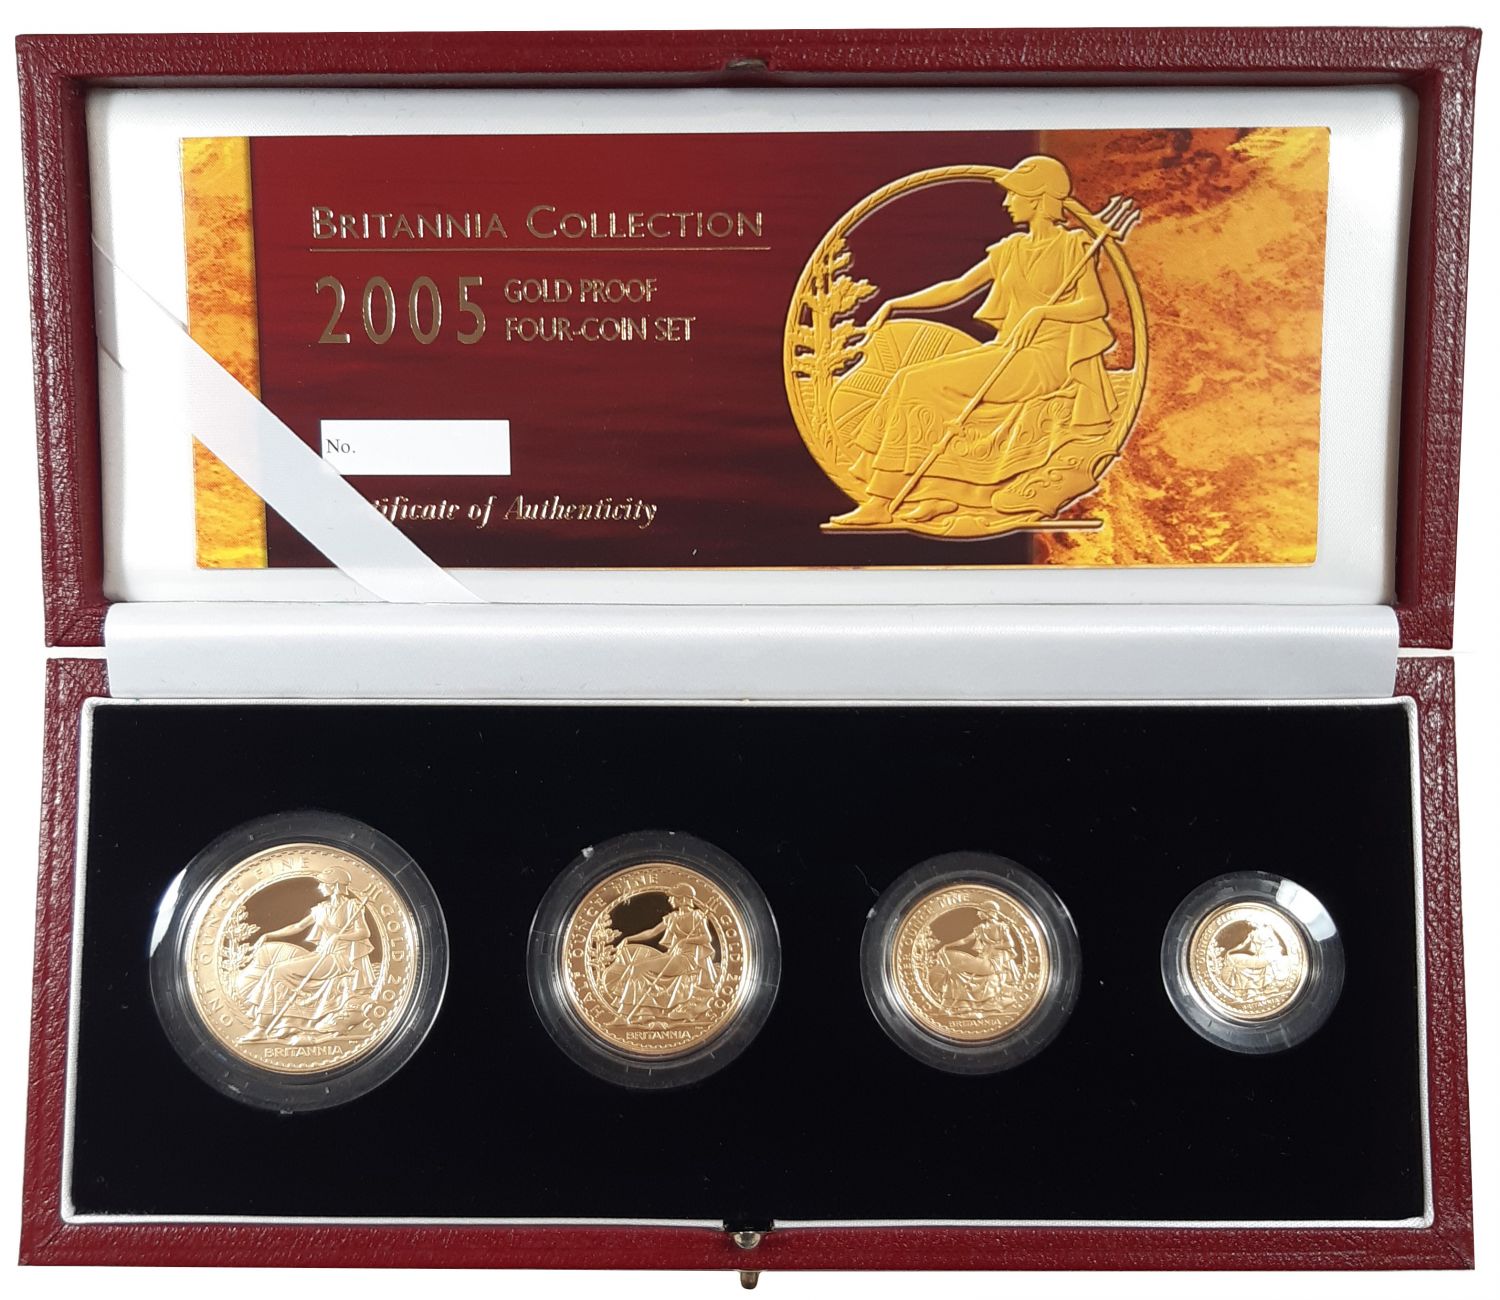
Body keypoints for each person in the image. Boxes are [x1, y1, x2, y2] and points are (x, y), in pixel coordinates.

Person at [831, 154, 1118, 529]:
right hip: (1007, 350)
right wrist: (897, 304)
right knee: (910, 381)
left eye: (1014, 194)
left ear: (1037, 199)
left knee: (916, 383)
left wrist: (1044, 313)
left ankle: (881, 502)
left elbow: (1094, 305)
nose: (1007, 202)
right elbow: (958, 287)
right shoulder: (1011, 250)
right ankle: (936, 493)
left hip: (1046, 360)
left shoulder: (1073, 248)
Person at [235, 867, 376, 1042]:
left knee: (278, 971)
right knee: (275, 969)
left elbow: (364, 932)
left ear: (334, 885)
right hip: (321, 954)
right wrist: (268, 935)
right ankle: (278, 1023)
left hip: (339, 958)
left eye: (323, 883)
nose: (320, 887)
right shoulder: (321, 908)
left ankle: (261, 1028)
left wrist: (340, 936)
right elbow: (298, 927)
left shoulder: (352, 906)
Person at [608, 883, 720, 1024]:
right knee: (638, 968)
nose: (669, 900)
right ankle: (644, 1013)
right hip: (673, 956)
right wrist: (628, 938)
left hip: (687, 960)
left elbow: (706, 938)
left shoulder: (697, 916)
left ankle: (625, 1015)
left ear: (683, 899)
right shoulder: (672, 917)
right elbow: (652, 932)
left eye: (673, 897)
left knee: (637, 968)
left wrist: (685, 941)